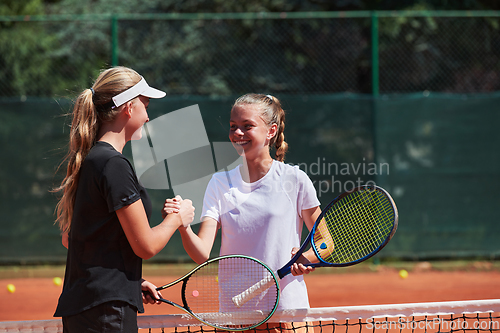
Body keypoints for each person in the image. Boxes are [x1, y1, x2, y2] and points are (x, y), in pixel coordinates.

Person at [52, 66, 195, 333]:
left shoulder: (91, 159)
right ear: (129, 108)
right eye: (146, 104)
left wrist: (130, 282)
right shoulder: (113, 164)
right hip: (106, 311)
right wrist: (178, 217)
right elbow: (146, 246)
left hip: (88, 306)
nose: (148, 116)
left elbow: (77, 238)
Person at [166, 93, 322, 332]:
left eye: (247, 126)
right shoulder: (219, 183)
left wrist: (307, 258)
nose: (237, 133)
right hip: (235, 316)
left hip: (286, 311)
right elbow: (201, 254)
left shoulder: (294, 179)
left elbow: (326, 240)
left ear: (270, 131)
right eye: (233, 127)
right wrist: (182, 225)